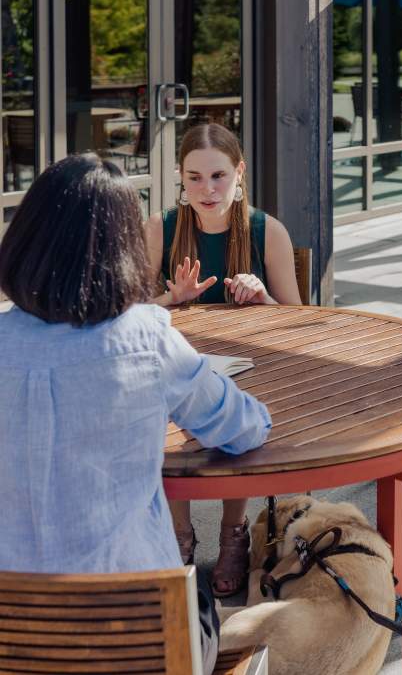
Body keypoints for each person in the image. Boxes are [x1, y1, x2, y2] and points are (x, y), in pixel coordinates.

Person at [0, 154, 271, 675]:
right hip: (138, 635)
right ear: (121, 250)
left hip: (13, 638)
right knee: (243, 627)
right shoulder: (146, 338)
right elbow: (245, 427)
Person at [145, 122, 301, 597]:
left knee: (243, 409)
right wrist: (172, 299)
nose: (207, 189)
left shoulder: (266, 229)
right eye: (194, 178)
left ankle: (233, 532)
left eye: (217, 176)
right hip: (180, 362)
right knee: (155, 407)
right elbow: (124, 314)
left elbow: (300, 318)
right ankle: (179, 530)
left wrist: (263, 301)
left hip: (250, 364)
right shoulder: (161, 227)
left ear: (239, 172)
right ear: (180, 177)